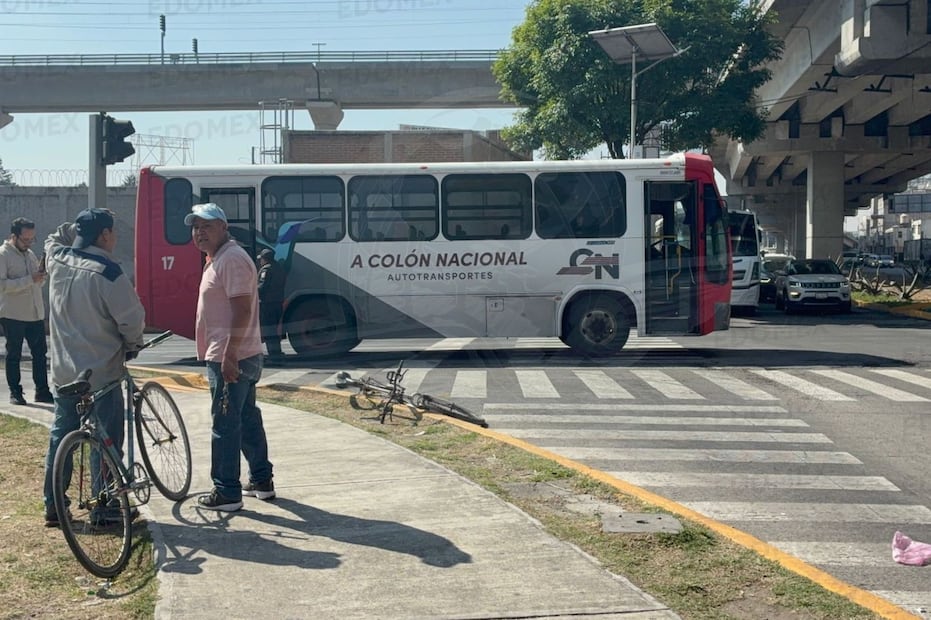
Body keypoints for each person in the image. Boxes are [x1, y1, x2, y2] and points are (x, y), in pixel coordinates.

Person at [41, 208, 146, 527]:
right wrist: (133, 343)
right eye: (113, 232)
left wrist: (74, 230)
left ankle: (54, 505)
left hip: (64, 370)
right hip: (101, 373)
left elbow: (52, 238)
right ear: (105, 235)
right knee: (106, 439)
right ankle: (105, 506)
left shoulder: (57, 258)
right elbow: (131, 319)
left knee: (62, 436)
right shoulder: (108, 272)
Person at [187, 202, 274, 512]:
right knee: (246, 418)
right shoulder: (219, 258)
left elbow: (242, 309)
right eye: (196, 227)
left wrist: (229, 355)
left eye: (207, 226)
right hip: (237, 352)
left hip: (231, 354)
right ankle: (261, 480)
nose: (199, 232)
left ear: (224, 227)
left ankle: (226, 492)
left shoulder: (231, 259)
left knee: (225, 424)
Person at [0, 217, 54, 405]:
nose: (29, 243)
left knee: (40, 354)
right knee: (14, 355)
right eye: (25, 239)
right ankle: (15, 392)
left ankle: (42, 391)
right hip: (13, 314)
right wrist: (30, 279)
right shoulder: (3, 255)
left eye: (32, 239)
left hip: (35, 313)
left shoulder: (30, 254)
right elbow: (2, 285)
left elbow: (36, 283)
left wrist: (41, 277)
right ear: (14, 236)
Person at [256, 248, 286, 358]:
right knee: (273, 329)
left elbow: (262, 286)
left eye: (261, 259)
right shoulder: (279, 268)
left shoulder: (266, 270)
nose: (260, 261)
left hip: (267, 304)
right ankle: (277, 352)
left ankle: (274, 355)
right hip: (278, 303)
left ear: (265, 259)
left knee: (268, 330)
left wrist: (252, 291)